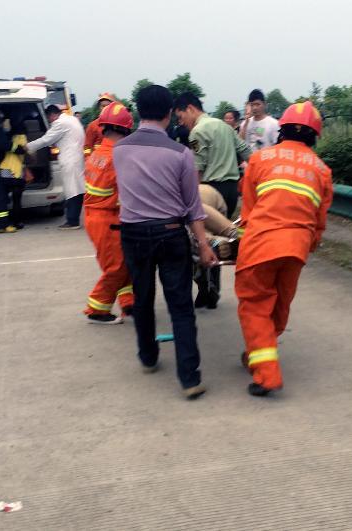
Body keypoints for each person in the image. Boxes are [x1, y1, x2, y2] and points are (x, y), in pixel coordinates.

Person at [114, 84, 217, 400]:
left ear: (138, 112)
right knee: (181, 307)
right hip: (171, 234)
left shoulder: (120, 150)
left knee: (142, 299)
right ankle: (190, 379)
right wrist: (203, 244)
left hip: (133, 234)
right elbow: (193, 207)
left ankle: (148, 357)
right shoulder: (181, 153)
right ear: (170, 113)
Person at [235, 101, 333, 396]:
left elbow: (248, 211)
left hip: (261, 243)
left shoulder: (260, 159)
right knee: (279, 305)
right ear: (315, 135)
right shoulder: (322, 170)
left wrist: (240, 242)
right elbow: (319, 221)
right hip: (296, 249)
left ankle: (267, 374)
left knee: (254, 305)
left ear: (282, 129)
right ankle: (259, 351)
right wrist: (308, 243)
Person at [173, 92, 251, 309]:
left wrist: (189, 195)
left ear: (190, 108)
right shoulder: (224, 125)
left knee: (199, 240)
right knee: (215, 240)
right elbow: (246, 152)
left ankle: (205, 289)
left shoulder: (198, 131)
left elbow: (197, 170)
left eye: (181, 117)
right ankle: (212, 290)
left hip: (208, 190)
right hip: (231, 191)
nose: (182, 123)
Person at [82, 102, 136, 324]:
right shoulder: (118, 157)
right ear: (125, 130)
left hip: (96, 215)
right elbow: (128, 193)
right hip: (107, 217)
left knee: (123, 263)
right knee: (117, 266)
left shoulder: (99, 152)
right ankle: (97, 309)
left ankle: (128, 303)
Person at [26, 104, 86, 229]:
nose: (49, 121)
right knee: (77, 189)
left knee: (72, 191)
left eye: (48, 119)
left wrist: (28, 147)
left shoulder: (60, 123)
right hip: (77, 158)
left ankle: (72, 221)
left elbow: (46, 140)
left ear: (52, 115)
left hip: (69, 159)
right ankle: (73, 219)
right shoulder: (72, 119)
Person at [0, 121, 30, 230]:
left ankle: (3, 222)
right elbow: (26, 151)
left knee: (2, 198)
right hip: (17, 171)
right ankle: (17, 222)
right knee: (17, 199)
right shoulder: (22, 137)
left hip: (4, 170)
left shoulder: (4, 137)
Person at [83, 92, 115, 158]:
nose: (105, 108)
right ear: (99, 107)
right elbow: (87, 147)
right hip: (98, 162)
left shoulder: (118, 124)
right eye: (103, 106)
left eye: (108, 106)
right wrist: (87, 159)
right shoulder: (92, 125)